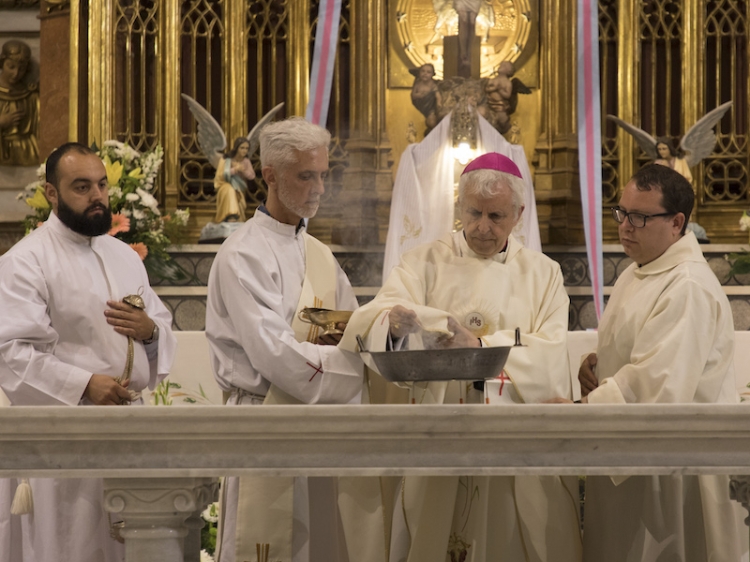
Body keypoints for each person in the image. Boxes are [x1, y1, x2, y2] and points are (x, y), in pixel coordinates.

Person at [342, 152, 581, 562]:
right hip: (437, 435)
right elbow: (372, 320)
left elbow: (552, 350)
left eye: (496, 216)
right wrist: (395, 326)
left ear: (519, 214)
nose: (482, 228)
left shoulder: (544, 273)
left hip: (509, 445)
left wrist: (480, 348)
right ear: (458, 205)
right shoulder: (422, 262)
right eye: (473, 213)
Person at [0, 142, 176, 562]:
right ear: (51, 193)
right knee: (73, 548)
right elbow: (13, 353)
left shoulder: (123, 256)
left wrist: (151, 332)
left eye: (101, 185)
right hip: (65, 438)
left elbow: (159, 323)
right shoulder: (26, 261)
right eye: (81, 186)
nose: (97, 196)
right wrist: (84, 385)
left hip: (129, 431)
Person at [206, 117, 365, 562]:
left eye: (323, 175)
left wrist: (378, 332)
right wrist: (355, 369)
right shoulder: (243, 254)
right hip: (264, 422)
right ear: (271, 176)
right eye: (305, 175)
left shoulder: (318, 253)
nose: (318, 188)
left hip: (320, 426)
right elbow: (274, 353)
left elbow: (340, 327)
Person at [567, 164, 745, 562]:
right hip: (632, 465)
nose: (625, 226)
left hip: (673, 472)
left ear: (677, 223)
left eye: (640, 217)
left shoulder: (688, 286)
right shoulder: (640, 271)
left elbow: (658, 385)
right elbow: (641, 349)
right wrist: (600, 363)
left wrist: (580, 413)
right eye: (622, 213)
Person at [0, 39, 39, 166]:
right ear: (2, 63)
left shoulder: (31, 96)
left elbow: (40, 128)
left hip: (27, 151)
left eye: (21, 69)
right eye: (11, 67)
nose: (16, 73)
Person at [213, 137, 255, 223]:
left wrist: (243, 171)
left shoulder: (246, 161)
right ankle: (231, 216)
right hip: (224, 185)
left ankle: (236, 218)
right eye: (242, 148)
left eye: (247, 148)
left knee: (234, 192)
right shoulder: (226, 159)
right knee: (230, 190)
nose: (244, 151)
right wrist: (235, 170)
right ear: (236, 148)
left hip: (239, 187)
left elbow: (252, 176)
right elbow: (220, 175)